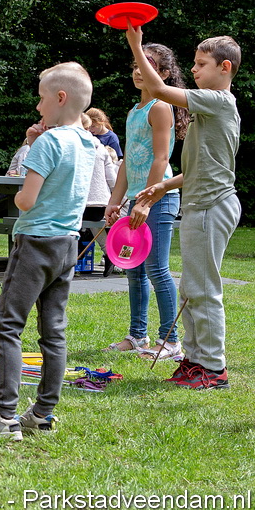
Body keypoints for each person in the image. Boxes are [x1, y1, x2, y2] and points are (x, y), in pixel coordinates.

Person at [0, 62, 96, 440]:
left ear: (60, 98)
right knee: (53, 331)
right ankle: (43, 414)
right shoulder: (89, 143)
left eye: (41, 98)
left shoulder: (49, 142)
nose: (37, 106)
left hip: (35, 244)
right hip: (67, 246)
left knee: (7, 324)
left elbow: (27, 200)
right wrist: (36, 144)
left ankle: (4, 417)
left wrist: (21, 184)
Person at [129, 27, 241, 390]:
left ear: (225, 67)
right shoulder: (208, 108)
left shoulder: (219, 100)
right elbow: (203, 166)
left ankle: (213, 369)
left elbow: (160, 91)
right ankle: (195, 360)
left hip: (212, 206)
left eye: (201, 63)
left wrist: (136, 45)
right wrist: (164, 185)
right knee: (191, 288)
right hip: (200, 203)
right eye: (193, 63)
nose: (193, 69)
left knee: (203, 288)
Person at [103, 43, 190, 359]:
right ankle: (137, 335)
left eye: (148, 66)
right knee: (134, 270)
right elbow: (127, 162)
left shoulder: (160, 106)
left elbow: (160, 158)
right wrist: (115, 201)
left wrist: (147, 201)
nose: (139, 71)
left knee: (156, 269)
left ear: (164, 74)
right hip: (136, 201)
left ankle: (170, 341)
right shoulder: (134, 111)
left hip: (158, 202)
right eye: (136, 65)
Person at [79, 113, 118, 274]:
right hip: (100, 204)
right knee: (95, 224)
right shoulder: (101, 149)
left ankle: (72, 259)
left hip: (79, 203)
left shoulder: (73, 146)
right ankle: (109, 254)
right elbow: (112, 179)